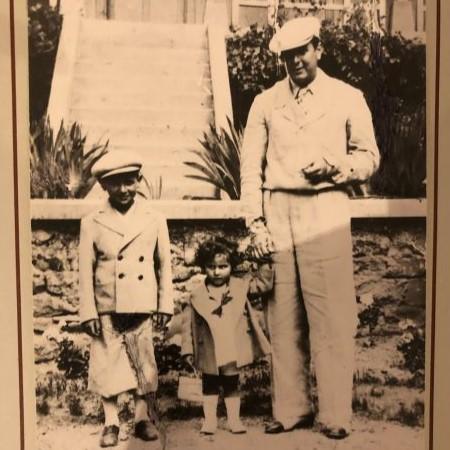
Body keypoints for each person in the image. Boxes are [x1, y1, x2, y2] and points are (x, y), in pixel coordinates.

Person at [240, 16, 380, 439]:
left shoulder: (346, 97)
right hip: (278, 208)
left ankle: (335, 415)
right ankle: (290, 410)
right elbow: (250, 169)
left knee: (332, 317)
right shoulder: (265, 102)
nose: (295, 61)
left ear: (318, 48)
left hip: (326, 209)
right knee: (282, 317)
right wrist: (255, 223)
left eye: (302, 51)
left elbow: (369, 157)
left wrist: (337, 168)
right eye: (287, 55)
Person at [78, 150, 174, 447]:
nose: (123, 190)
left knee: (143, 362)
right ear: (104, 187)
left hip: (142, 302)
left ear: (139, 181)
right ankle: (111, 422)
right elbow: (84, 270)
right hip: (107, 304)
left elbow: (164, 265)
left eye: (129, 182)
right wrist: (88, 312)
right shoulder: (91, 221)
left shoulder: (155, 218)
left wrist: (164, 304)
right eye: (116, 184)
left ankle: (142, 418)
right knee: (108, 363)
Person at [180, 238, 272, 435]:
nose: (217, 271)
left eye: (223, 266)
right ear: (204, 267)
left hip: (230, 347)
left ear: (231, 266)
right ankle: (210, 421)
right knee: (209, 386)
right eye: (211, 266)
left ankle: (234, 420)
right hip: (209, 348)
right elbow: (187, 325)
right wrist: (187, 350)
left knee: (231, 385)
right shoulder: (197, 294)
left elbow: (263, 285)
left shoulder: (239, 287)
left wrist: (265, 263)